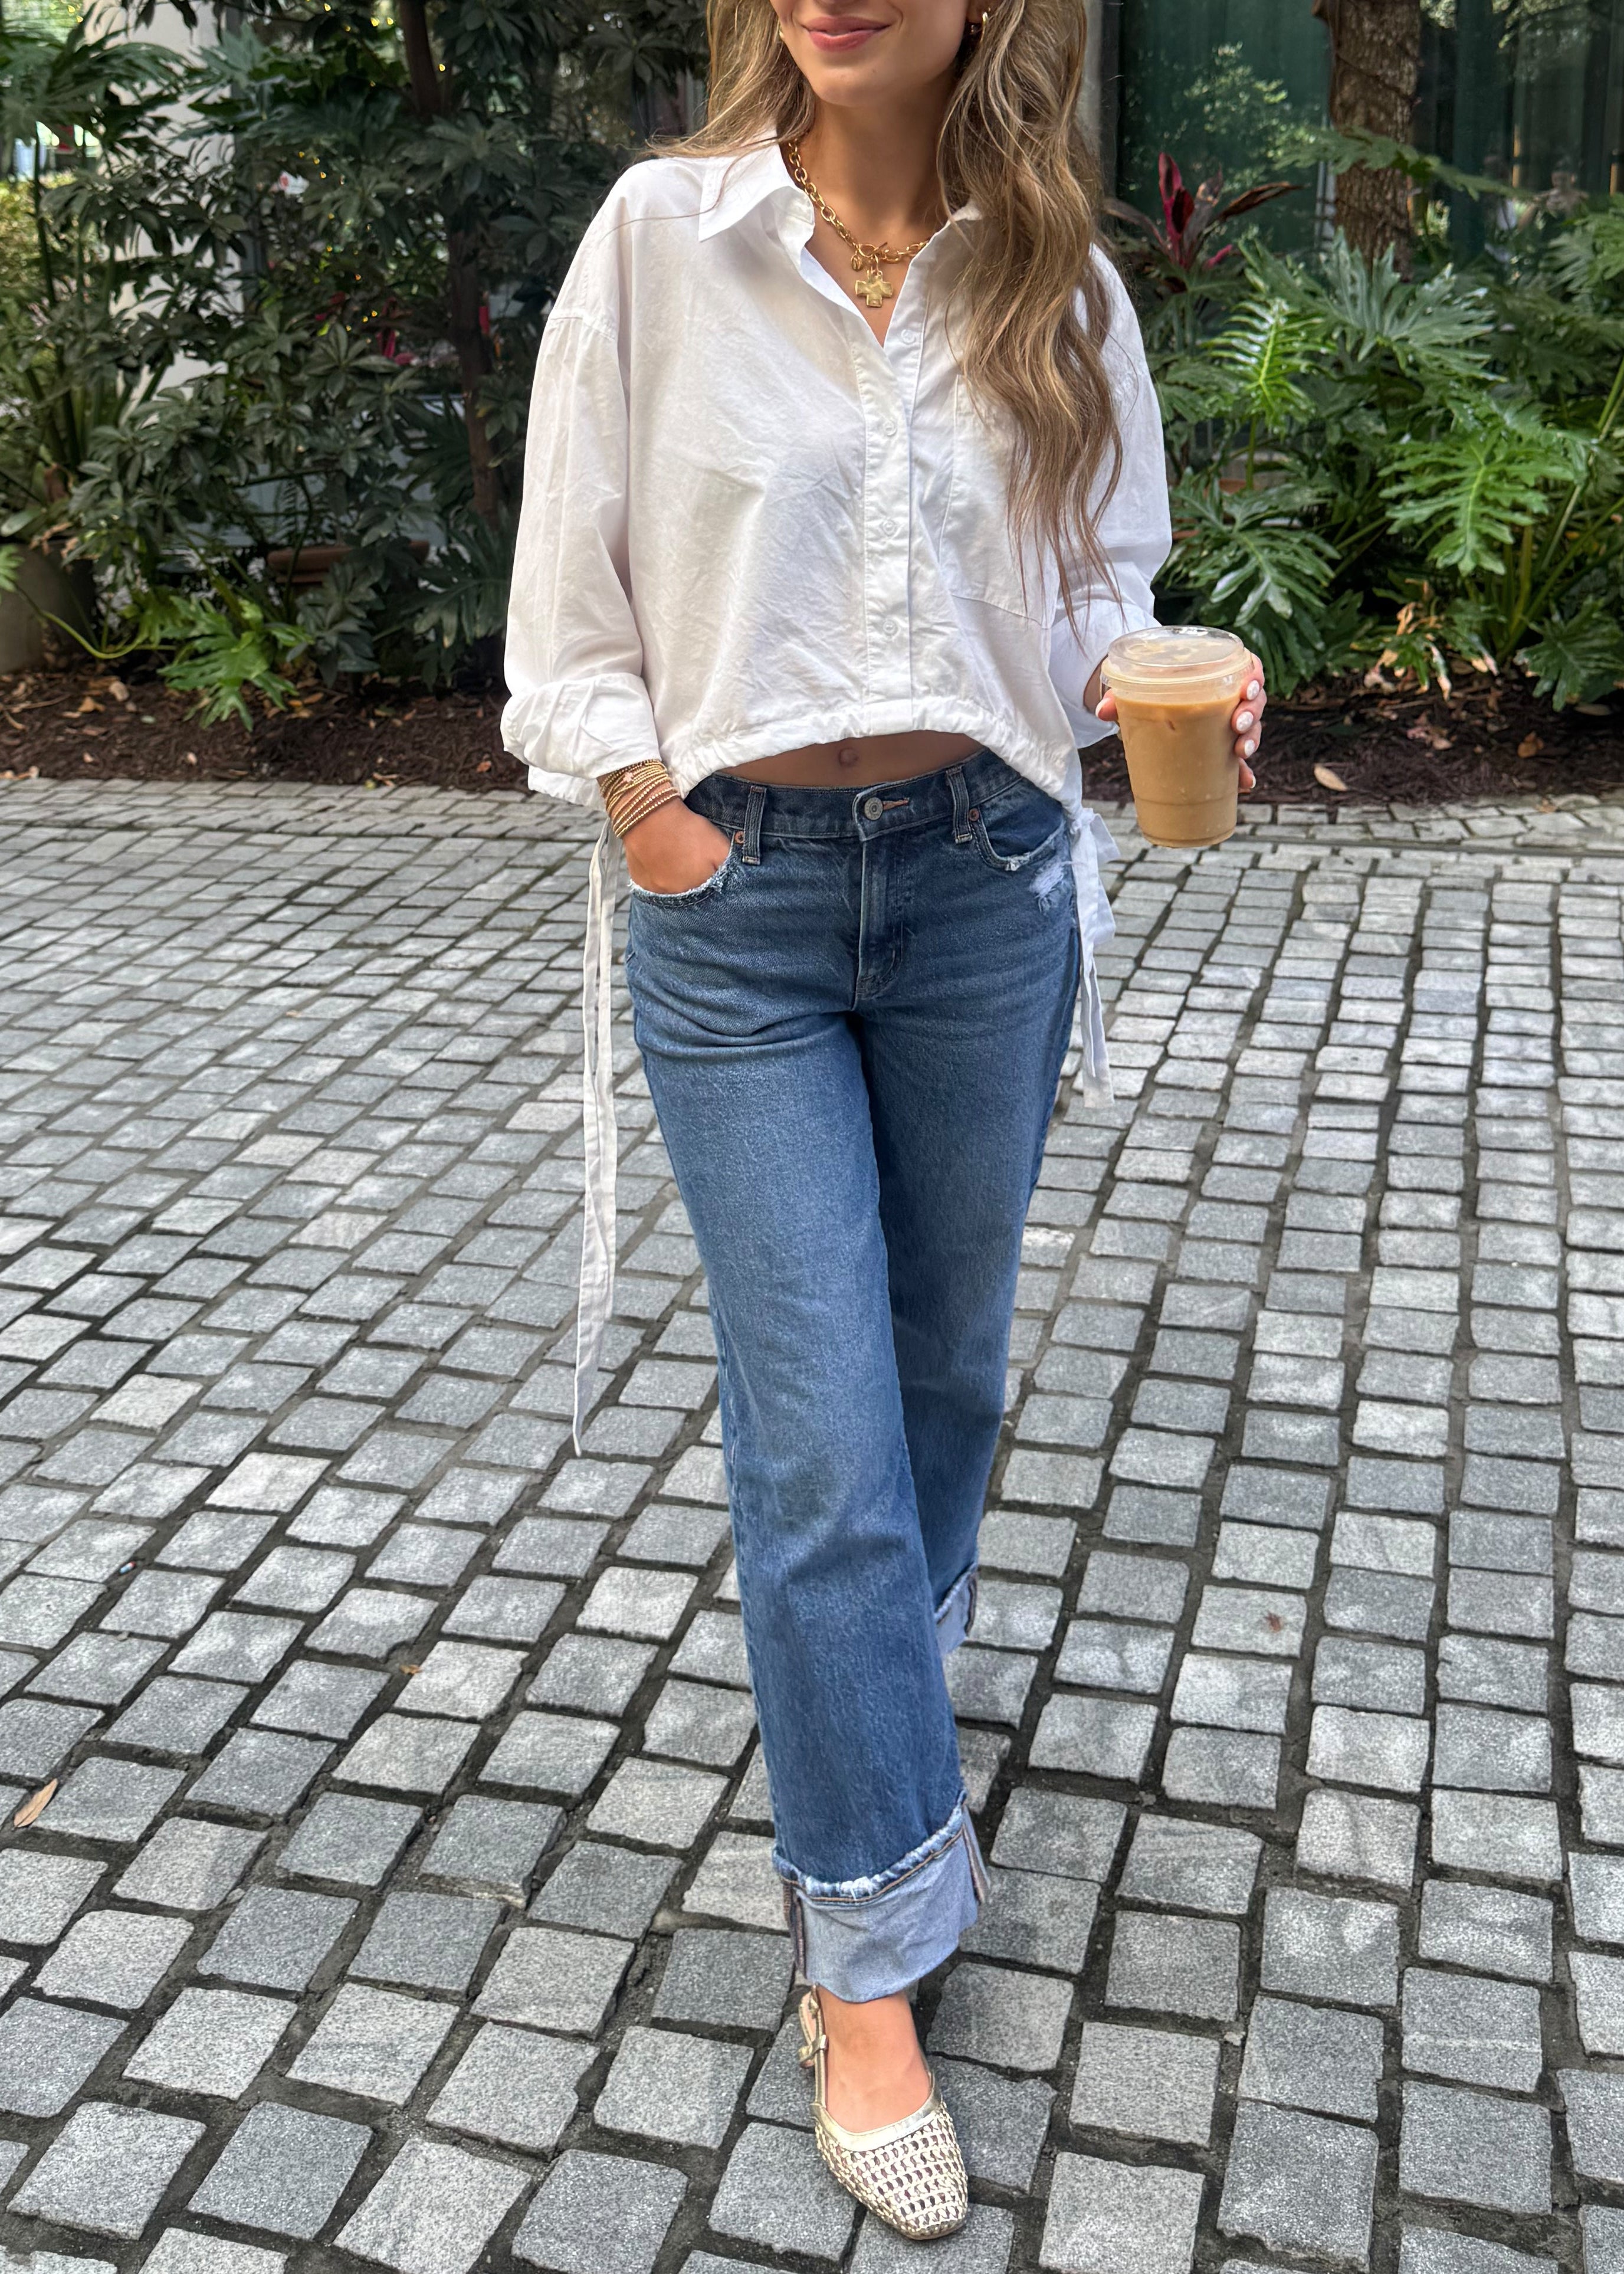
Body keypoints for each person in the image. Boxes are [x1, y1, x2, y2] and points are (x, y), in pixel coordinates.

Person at [502, 0, 1265, 2240]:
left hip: (982, 888)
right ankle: (867, 1957)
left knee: (943, 1373)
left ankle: (873, 1714)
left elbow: (1108, 592)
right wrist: (647, 813)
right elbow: (571, 589)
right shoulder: (657, 242)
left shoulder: (1061, 277)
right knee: (821, 1436)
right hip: (731, 903)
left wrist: (1188, 679)